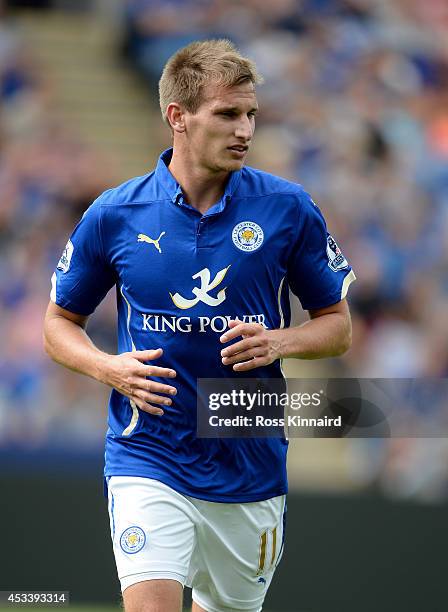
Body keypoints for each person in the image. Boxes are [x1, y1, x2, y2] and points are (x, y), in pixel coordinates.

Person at [43, 39, 356, 612]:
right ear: (177, 118)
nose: (245, 130)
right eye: (228, 114)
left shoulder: (288, 208)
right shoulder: (116, 213)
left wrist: (279, 340)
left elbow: (337, 326)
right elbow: (59, 322)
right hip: (148, 452)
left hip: (247, 457)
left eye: (251, 115)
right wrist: (106, 366)